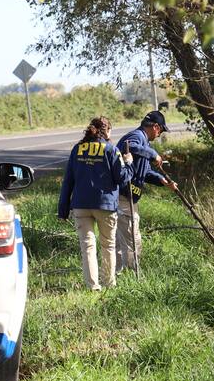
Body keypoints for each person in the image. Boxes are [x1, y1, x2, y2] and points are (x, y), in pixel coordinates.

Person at [58, 116, 134, 291]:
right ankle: (109, 283)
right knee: (108, 245)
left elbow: (68, 181)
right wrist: (129, 163)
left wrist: (63, 209)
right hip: (105, 205)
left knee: (87, 246)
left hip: (80, 205)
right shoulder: (111, 150)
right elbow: (122, 179)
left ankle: (92, 286)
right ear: (106, 131)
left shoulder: (77, 149)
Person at [115, 111, 178, 273]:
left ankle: (116, 276)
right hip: (123, 197)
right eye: (161, 131)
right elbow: (130, 146)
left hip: (126, 197)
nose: (159, 134)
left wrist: (162, 181)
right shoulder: (137, 137)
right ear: (155, 127)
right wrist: (153, 154)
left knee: (120, 241)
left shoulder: (144, 143)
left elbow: (145, 172)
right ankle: (132, 276)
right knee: (132, 240)